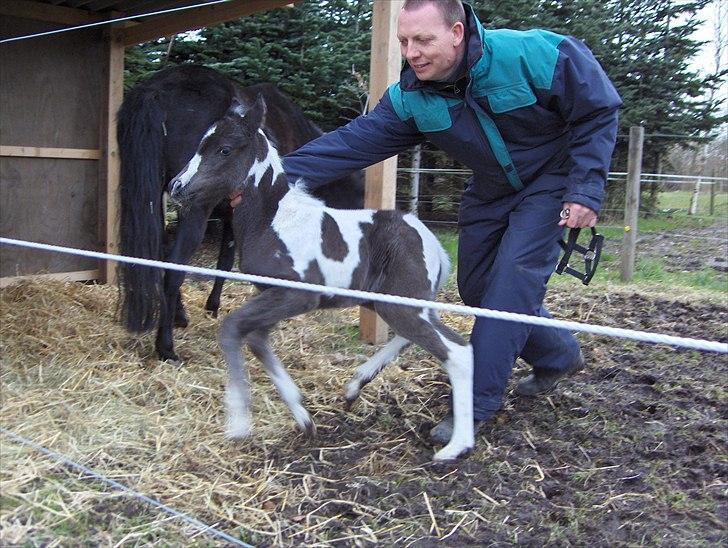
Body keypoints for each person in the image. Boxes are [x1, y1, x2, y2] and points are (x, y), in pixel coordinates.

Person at [279, 0, 622, 444]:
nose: (411, 52)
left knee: (511, 283)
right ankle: (558, 355)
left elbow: (597, 109)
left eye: (423, 40)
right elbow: (351, 144)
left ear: (457, 33)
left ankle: (473, 405)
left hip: (552, 181)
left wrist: (586, 187)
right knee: (477, 288)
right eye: (404, 41)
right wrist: (271, 180)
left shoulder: (534, 55)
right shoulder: (410, 97)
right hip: (492, 187)